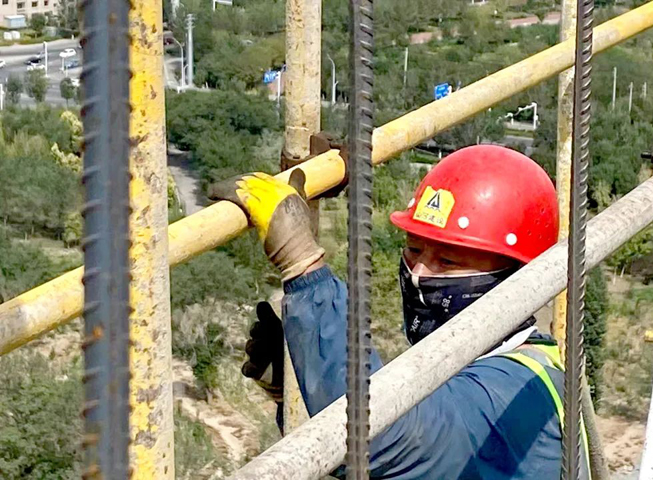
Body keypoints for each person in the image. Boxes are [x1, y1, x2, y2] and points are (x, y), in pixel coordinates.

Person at [210, 145, 589, 479]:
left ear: (516, 278)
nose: (419, 273)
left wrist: (300, 260)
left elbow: (371, 436)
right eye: (414, 249)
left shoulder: (517, 391)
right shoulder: (467, 367)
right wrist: (298, 385)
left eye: (447, 260)